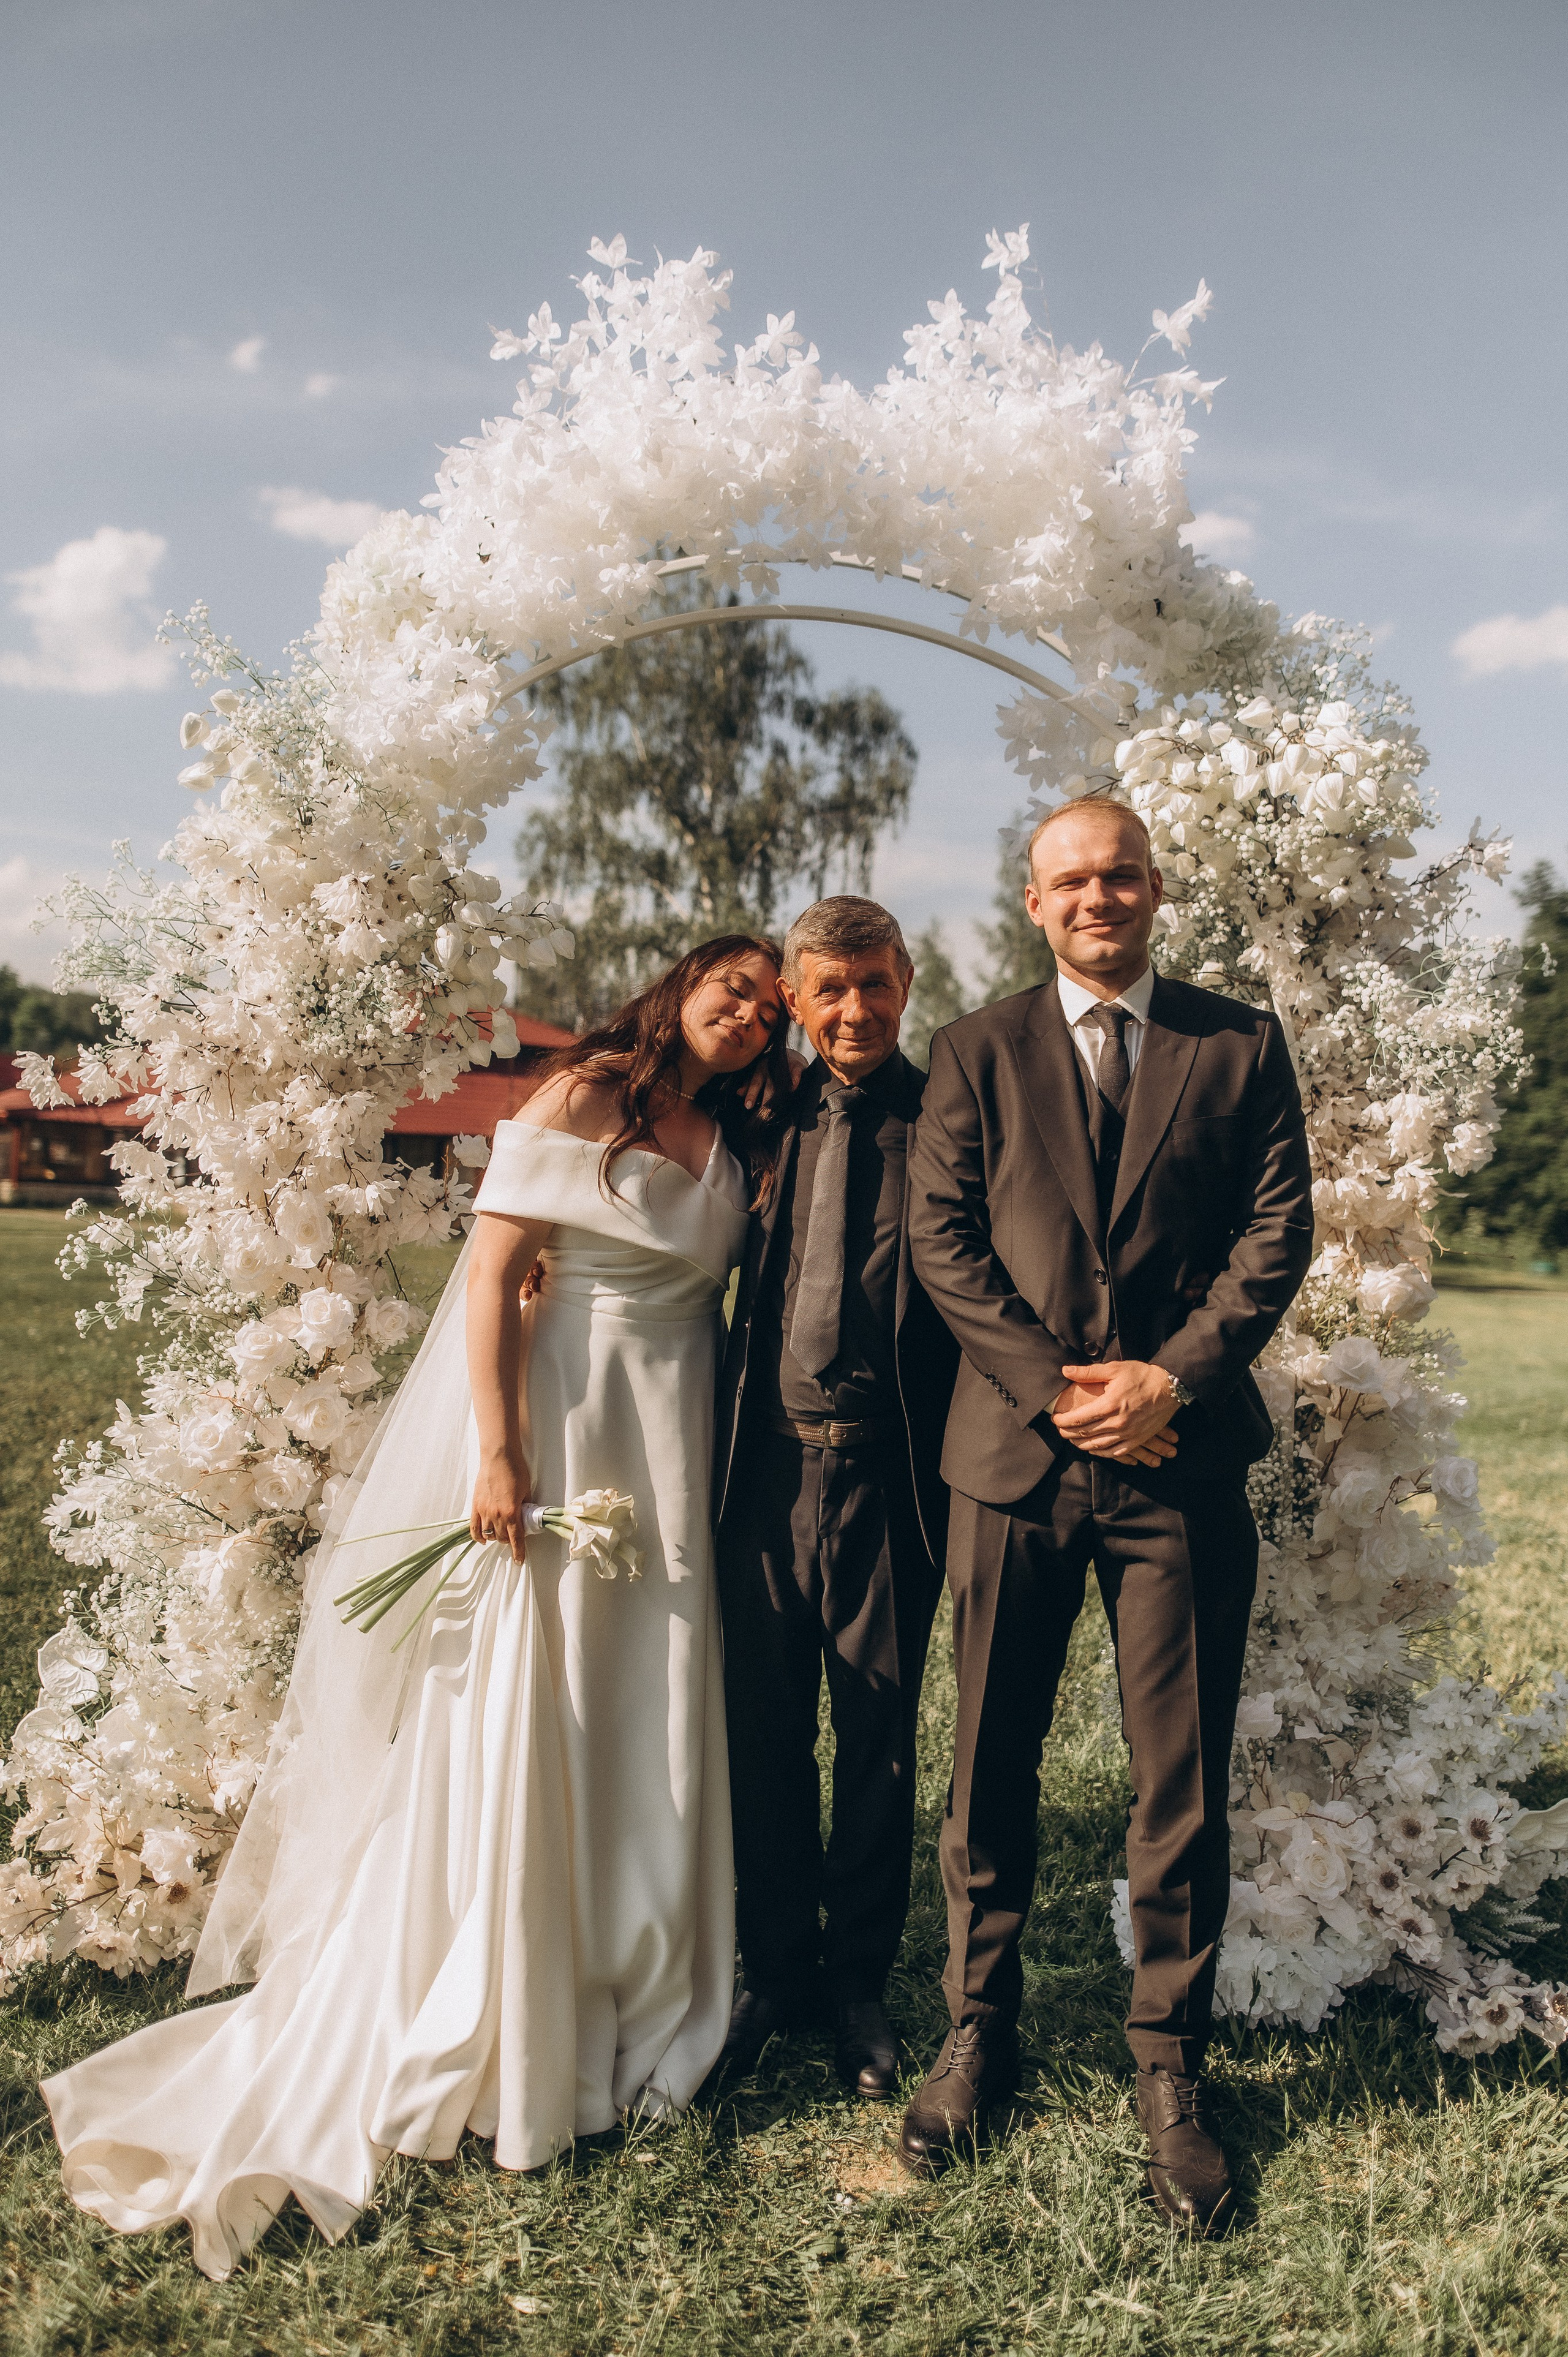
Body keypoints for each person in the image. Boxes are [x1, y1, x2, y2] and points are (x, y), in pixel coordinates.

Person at [42, 937, 790, 2280]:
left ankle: (640, 1982)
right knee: (537, 1694)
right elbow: (500, 1268)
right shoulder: (581, 1097)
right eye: (731, 987)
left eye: (768, 1007)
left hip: (671, 1449)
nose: (747, 1014)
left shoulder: (730, 1134)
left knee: (644, 1698)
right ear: (681, 985)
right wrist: (501, 1451)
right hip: (564, 1430)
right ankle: (510, 2002)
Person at [903, 801, 1313, 2232]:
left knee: (1175, 1778)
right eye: (1072, 879)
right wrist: (1057, 1391)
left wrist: (1167, 1379)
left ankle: (1167, 2068)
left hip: (1180, 1459)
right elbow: (940, 1238)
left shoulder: (1237, 1044)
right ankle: (977, 2030)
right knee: (989, 1761)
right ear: (1033, 901)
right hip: (1012, 1460)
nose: (1099, 897)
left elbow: (1278, 1234)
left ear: (1154, 888)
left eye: (1120, 874)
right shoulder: (970, 1050)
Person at [712, 897, 959, 2097]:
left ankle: (857, 1981)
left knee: (873, 1734)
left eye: (874, 983)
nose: (854, 1009)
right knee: (759, 1731)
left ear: (904, 981)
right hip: (761, 1466)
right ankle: (774, 1965)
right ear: (795, 1005)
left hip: (888, 1472)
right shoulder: (753, 1117)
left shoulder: (950, 1116)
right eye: (830, 990)